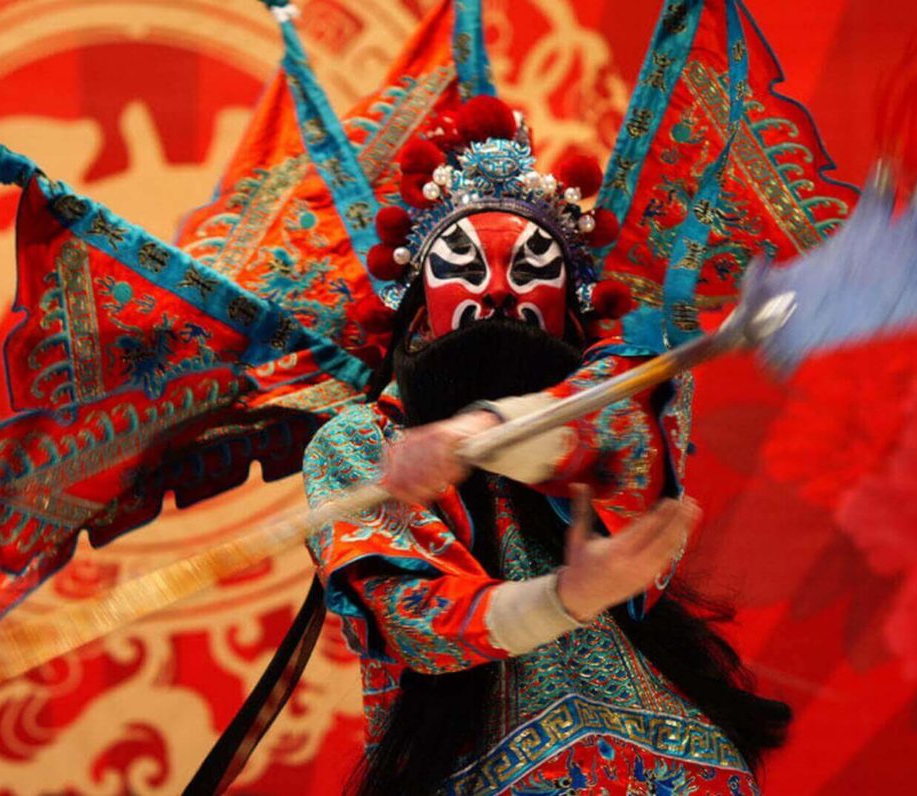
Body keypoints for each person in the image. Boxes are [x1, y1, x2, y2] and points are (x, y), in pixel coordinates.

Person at [302, 99, 791, 794]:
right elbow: (414, 621)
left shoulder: (630, 388)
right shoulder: (359, 444)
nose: (500, 291)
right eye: (465, 267)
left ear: (569, 303)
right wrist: (563, 597)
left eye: (532, 268)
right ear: (420, 306)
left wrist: (474, 432)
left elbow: (607, 430)